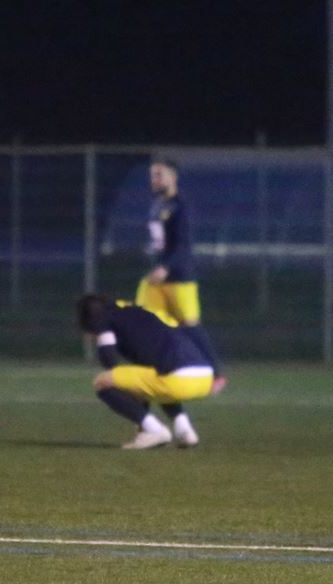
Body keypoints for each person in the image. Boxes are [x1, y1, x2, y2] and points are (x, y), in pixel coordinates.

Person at [76, 294, 216, 449]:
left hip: (178, 378)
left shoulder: (104, 320)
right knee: (153, 380)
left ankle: (155, 430)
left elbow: (109, 361)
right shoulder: (135, 312)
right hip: (204, 375)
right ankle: (185, 431)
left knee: (102, 382)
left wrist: (100, 340)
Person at [137, 159, 225, 394]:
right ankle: (159, 369)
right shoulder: (156, 205)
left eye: (159, 174)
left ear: (173, 177)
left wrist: (166, 266)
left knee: (190, 325)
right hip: (156, 279)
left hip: (179, 277)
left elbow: (183, 245)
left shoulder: (180, 206)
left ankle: (216, 373)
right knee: (148, 323)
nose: (154, 179)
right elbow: (160, 241)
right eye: (152, 175)